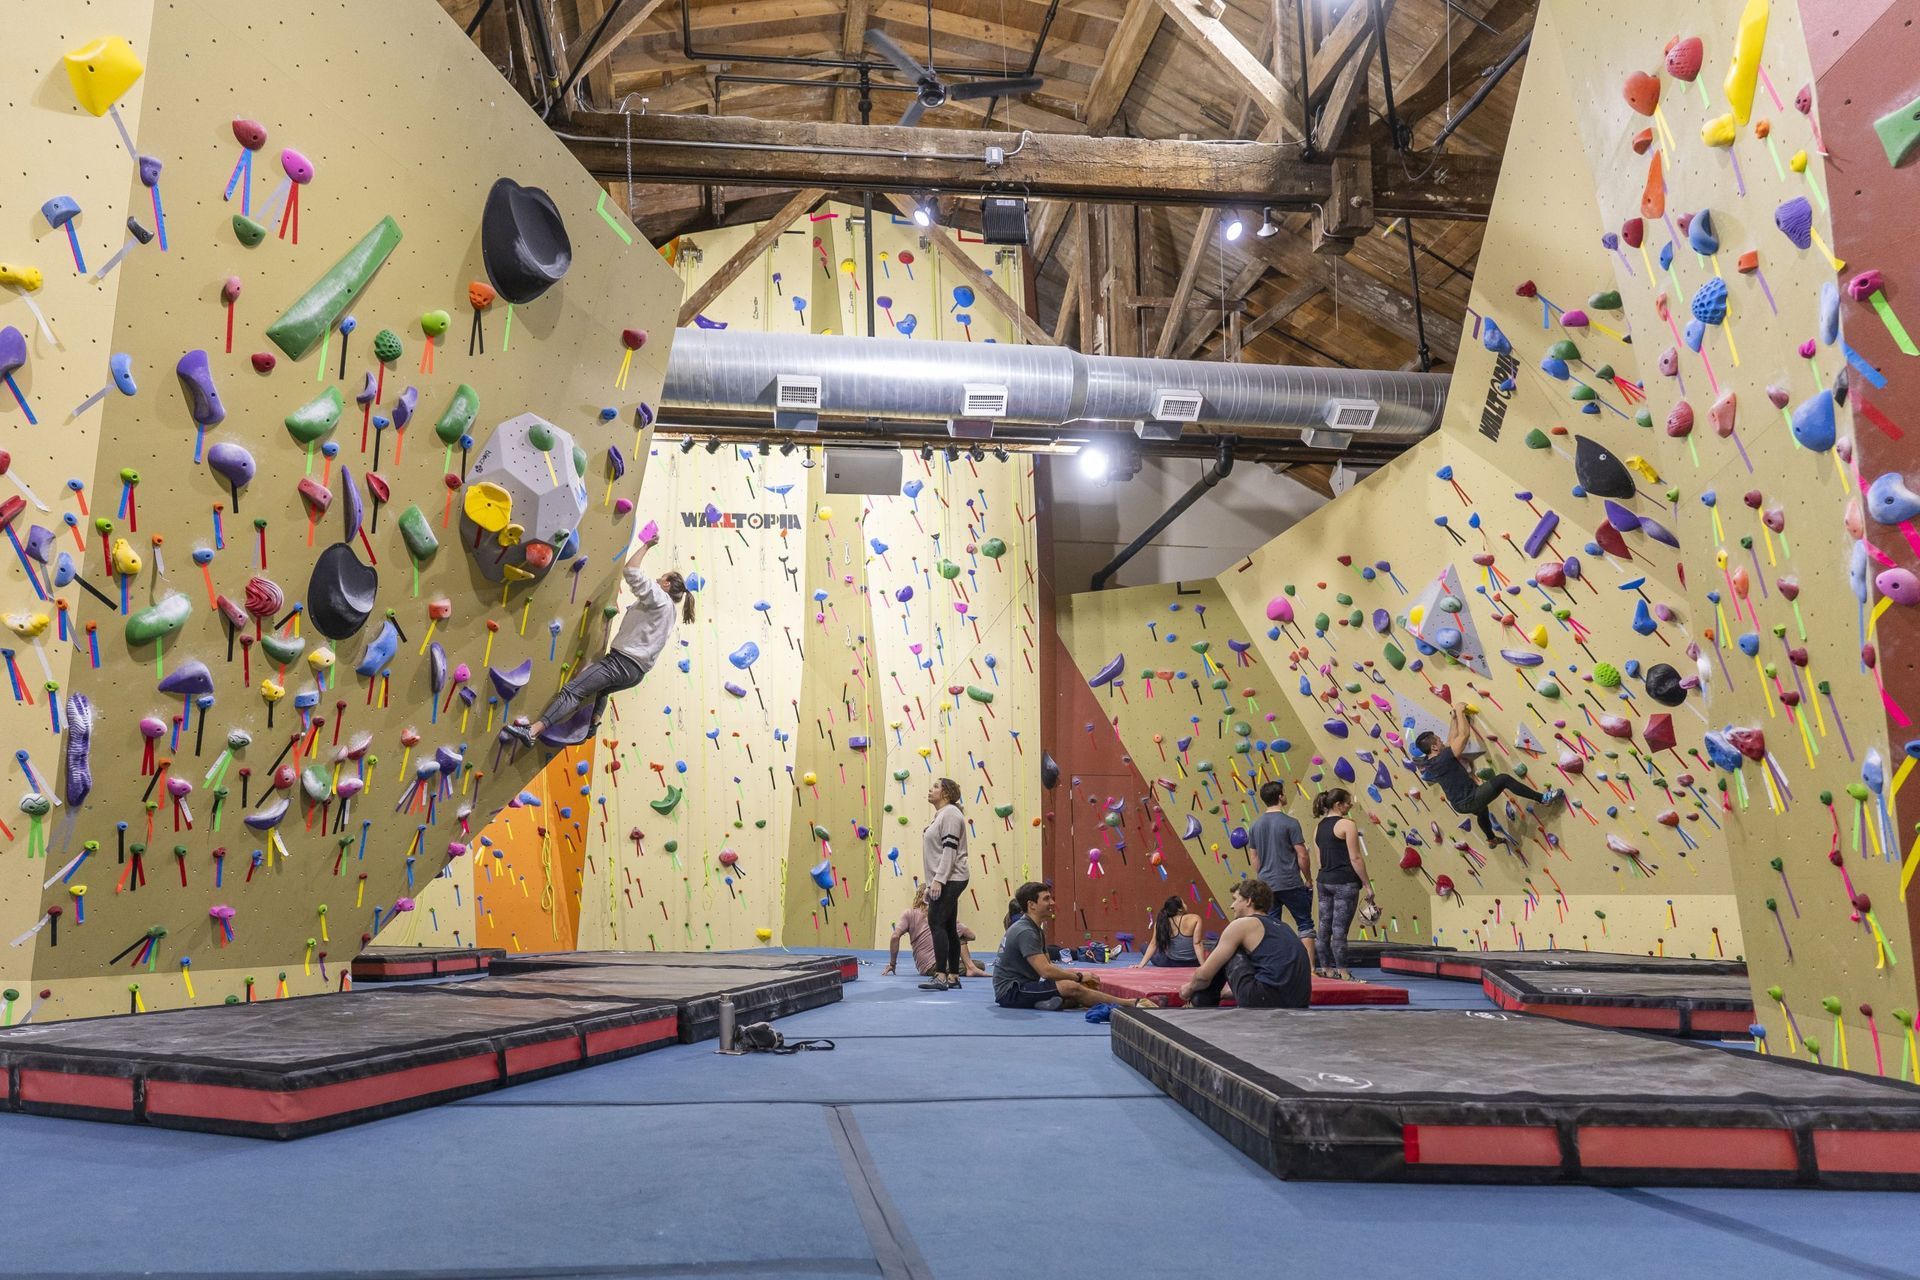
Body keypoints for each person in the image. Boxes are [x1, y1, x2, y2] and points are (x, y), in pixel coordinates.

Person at [504, 533, 692, 745]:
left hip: (621, 663)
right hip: (636, 672)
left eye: (661, 578)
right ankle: (593, 723)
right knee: (600, 689)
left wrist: (647, 545)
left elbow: (631, 571)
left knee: (573, 691)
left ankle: (532, 732)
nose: (657, 580)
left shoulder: (660, 599)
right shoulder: (670, 613)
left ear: (667, 585)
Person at [1414, 704, 1562, 846]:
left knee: (1482, 811)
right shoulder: (1444, 758)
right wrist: (1460, 712)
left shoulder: (1430, 761)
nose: (1442, 741)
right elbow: (1464, 735)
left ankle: (1491, 839)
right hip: (1468, 799)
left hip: (1459, 804)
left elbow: (1450, 741)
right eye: (1438, 741)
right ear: (1434, 747)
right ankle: (1543, 799)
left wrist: (1454, 719)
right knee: (1503, 779)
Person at [993, 882, 1142, 1011]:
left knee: (1079, 986)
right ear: (1031, 905)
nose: (1052, 902)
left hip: (1024, 985)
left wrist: (1075, 974)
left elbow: (1049, 964)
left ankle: (1045, 1003)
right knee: (1072, 987)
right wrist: (1078, 977)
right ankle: (1128, 1004)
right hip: (1011, 992)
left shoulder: (1035, 928)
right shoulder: (1025, 931)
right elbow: (1045, 972)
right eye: (1046, 899)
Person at [1177, 879, 1312, 1010]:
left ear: (1249, 901)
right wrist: (1225, 994)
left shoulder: (1243, 924)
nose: (1232, 906)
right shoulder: (1284, 927)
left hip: (1263, 1001)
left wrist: (1189, 988)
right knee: (1233, 946)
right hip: (1299, 1003)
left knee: (1227, 946)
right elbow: (1277, 982)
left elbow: (1203, 977)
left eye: (1235, 899)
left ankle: (1199, 1005)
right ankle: (1208, 998)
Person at [1248, 779, 1315, 970]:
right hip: (1291, 882)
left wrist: (1263, 876)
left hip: (1266, 885)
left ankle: (1275, 967)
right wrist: (1308, 878)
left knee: (1271, 927)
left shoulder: (1255, 825)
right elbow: (1302, 855)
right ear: (1280, 797)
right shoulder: (1291, 823)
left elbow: (1254, 857)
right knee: (1305, 924)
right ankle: (1310, 969)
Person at [1310, 788, 1375, 979]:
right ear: (1338, 805)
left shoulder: (1319, 826)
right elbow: (1355, 858)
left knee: (1324, 927)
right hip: (1344, 882)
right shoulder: (1347, 824)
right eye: (1348, 803)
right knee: (1339, 929)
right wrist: (1367, 885)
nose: (1350, 805)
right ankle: (1344, 973)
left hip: (1324, 881)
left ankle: (1327, 970)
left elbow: (1319, 860)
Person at [918, 778, 971, 991]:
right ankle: (953, 977)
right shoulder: (941, 815)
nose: (930, 789)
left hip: (951, 877)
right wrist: (931, 884)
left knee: (936, 923)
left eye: (936, 787)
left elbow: (949, 850)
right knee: (948, 927)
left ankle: (941, 975)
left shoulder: (950, 813)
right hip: (946, 878)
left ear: (947, 794)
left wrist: (938, 880)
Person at [884, 886, 984, 977]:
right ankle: (970, 968)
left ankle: (969, 967)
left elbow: (895, 936)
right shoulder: (941, 915)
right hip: (936, 966)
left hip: (924, 966)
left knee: (976, 963)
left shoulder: (909, 913)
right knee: (979, 964)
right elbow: (972, 936)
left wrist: (892, 964)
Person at [1137, 895, 1207, 968]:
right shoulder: (1195, 918)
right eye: (1184, 903)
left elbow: (1153, 943)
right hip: (1193, 963)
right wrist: (1204, 966)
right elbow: (1197, 943)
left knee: (1143, 946)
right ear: (1180, 909)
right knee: (1161, 951)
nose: (1186, 905)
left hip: (1171, 963)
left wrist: (1141, 965)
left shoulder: (1162, 921)